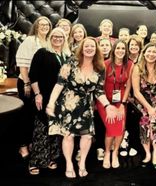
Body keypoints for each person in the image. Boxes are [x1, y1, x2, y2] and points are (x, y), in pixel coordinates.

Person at [46, 37, 117, 178]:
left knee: (87, 136)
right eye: (86, 46)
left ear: (96, 49)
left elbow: (98, 91)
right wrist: (51, 103)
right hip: (67, 103)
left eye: (92, 46)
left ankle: (82, 163)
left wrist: (108, 105)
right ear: (82, 48)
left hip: (85, 105)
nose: (89, 48)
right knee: (68, 135)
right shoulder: (72, 62)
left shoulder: (100, 67)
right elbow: (59, 83)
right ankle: (69, 164)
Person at [27, 27, 71, 175]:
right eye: (55, 36)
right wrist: (37, 94)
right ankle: (36, 161)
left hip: (61, 99)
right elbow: (33, 76)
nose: (58, 39)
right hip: (44, 96)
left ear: (65, 39)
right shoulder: (42, 53)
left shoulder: (66, 55)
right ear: (50, 37)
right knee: (42, 128)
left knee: (55, 129)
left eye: (61, 37)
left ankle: (51, 158)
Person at [16, 16, 52, 160]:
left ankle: (33, 143)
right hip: (27, 83)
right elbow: (22, 64)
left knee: (38, 116)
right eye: (41, 24)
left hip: (41, 85)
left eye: (47, 24)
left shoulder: (49, 41)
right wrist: (26, 83)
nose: (44, 27)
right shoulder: (30, 40)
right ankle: (23, 145)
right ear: (36, 26)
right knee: (26, 115)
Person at [132, 43, 156, 169]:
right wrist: (148, 108)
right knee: (145, 120)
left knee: (155, 121)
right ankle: (147, 153)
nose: (151, 54)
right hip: (143, 102)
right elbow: (136, 92)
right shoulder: (137, 68)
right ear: (144, 53)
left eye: (154, 52)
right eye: (149, 51)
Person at [97, 39, 134, 169]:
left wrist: (123, 104)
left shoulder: (130, 64)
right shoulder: (105, 64)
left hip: (121, 100)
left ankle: (115, 152)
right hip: (105, 101)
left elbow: (128, 85)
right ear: (113, 50)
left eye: (123, 49)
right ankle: (107, 152)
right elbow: (99, 86)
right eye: (118, 48)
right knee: (112, 124)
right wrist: (108, 105)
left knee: (121, 125)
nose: (120, 51)